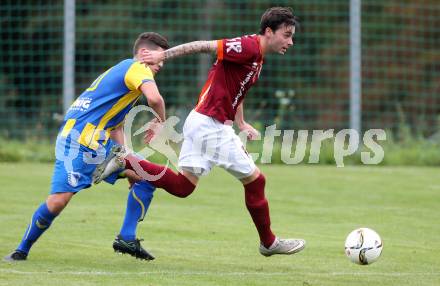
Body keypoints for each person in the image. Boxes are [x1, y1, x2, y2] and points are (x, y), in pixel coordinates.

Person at [95, 7, 306, 257]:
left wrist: (241, 123)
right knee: (256, 180)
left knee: (184, 187)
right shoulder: (246, 46)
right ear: (269, 32)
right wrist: (163, 54)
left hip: (204, 122)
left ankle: (126, 162)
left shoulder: (257, 57)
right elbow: (201, 45)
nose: (290, 42)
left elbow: (236, 91)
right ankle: (269, 243)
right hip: (209, 125)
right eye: (287, 34)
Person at [4, 32, 169, 262]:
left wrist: (127, 159)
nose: (161, 65)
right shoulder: (136, 69)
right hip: (78, 142)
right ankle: (20, 251)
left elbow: (116, 127)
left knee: (146, 176)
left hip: (99, 143)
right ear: (144, 53)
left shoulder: (124, 78)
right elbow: (156, 100)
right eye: (159, 59)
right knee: (58, 201)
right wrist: (160, 122)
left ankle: (127, 238)